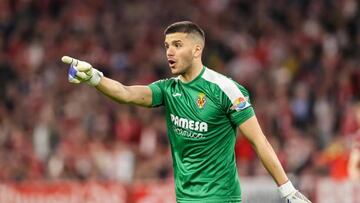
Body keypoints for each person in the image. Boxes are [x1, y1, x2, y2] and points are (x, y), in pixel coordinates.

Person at [61, 21, 311, 203]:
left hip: (220, 198)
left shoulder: (225, 89)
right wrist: (94, 77)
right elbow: (125, 93)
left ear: (196, 50)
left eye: (177, 45)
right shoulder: (168, 90)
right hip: (185, 198)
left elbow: (259, 141)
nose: (169, 51)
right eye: (167, 45)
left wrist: (287, 190)